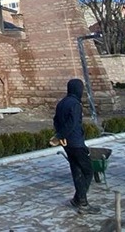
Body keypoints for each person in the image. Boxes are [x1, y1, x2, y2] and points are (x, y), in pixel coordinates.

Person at [51, 78, 100, 214]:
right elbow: (72, 124)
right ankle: (82, 201)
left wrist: (60, 135)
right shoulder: (75, 104)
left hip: (67, 144)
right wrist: (60, 136)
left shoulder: (62, 103)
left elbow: (55, 120)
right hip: (76, 142)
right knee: (88, 170)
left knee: (76, 170)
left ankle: (77, 200)